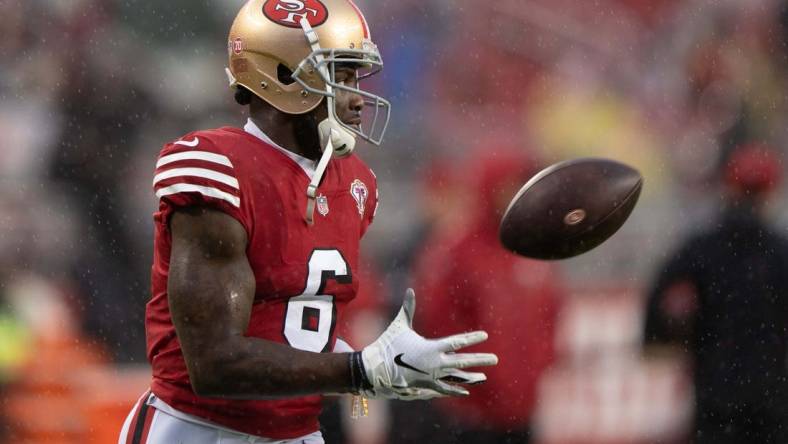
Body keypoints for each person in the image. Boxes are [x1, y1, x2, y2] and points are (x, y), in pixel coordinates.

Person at [117, 1, 498, 443]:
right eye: (341, 76)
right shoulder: (220, 169)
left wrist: (380, 363)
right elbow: (214, 362)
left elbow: (293, 326)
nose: (357, 97)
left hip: (297, 432)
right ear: (281, 75)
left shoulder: (353, 183)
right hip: (201, 429)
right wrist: (360, 370)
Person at [413, 150, 563, 444]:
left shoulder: (531, 246)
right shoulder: (455, 251)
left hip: (522, 413)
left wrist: (533, 372)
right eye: (507, 185)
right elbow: (437, 323)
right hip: (470, 417)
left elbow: (550, 315)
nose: (513, 194)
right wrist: (481, 382)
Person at [644, 143, 788, 444]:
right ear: (770, 191)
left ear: (729, 188)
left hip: (716, 397)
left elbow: (660, 305)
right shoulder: (779, 252)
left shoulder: (702, 249)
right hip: (773, 400)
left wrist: (669, 336)